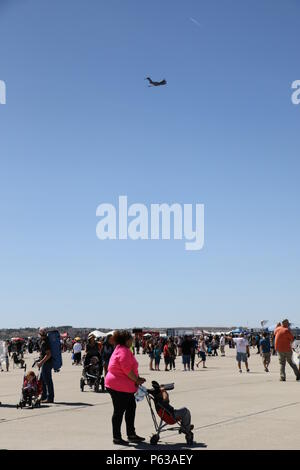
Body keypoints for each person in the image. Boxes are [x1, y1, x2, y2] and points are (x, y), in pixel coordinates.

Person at [105, 330, 146, 446]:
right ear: (127, 340)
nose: (132, 341)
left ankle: (131, 434)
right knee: (119, 411)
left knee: (130, 408)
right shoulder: (123, 351)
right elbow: (127, 370)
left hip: (120, 385)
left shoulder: (119, 349)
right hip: (119, 386)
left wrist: (137, 378)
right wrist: (137, 380)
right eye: (131, 339)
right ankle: (117, 437)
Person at [37, 327, 54, 403]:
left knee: (47, 381)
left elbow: (48, 354)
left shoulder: (44, 342)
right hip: (45, 363)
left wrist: (41, 362)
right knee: (42, 380)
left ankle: (50, 398)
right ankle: (43, 396)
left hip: (46, 363)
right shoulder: (44, 340)